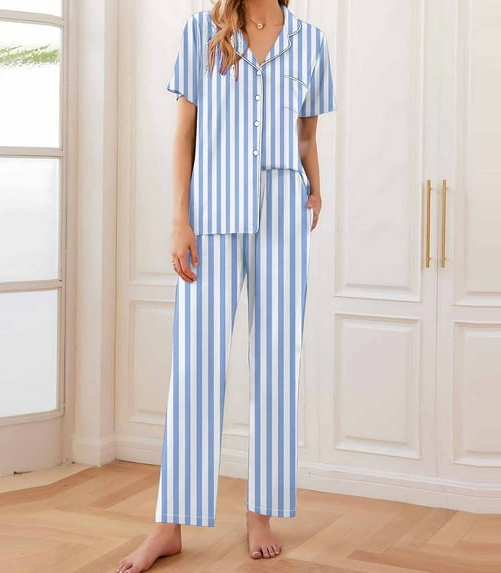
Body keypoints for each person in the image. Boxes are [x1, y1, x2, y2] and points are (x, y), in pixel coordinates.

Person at [116, 0, 336, 570]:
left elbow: (305, 137)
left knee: (278, 366)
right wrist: (179, 219)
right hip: (210, 221)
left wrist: (316, 188)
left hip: (284, 219)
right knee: (195, 368)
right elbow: (184, 134)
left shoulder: (310, 42)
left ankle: (260, 512)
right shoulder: (203, 32)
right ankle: (168, 525)